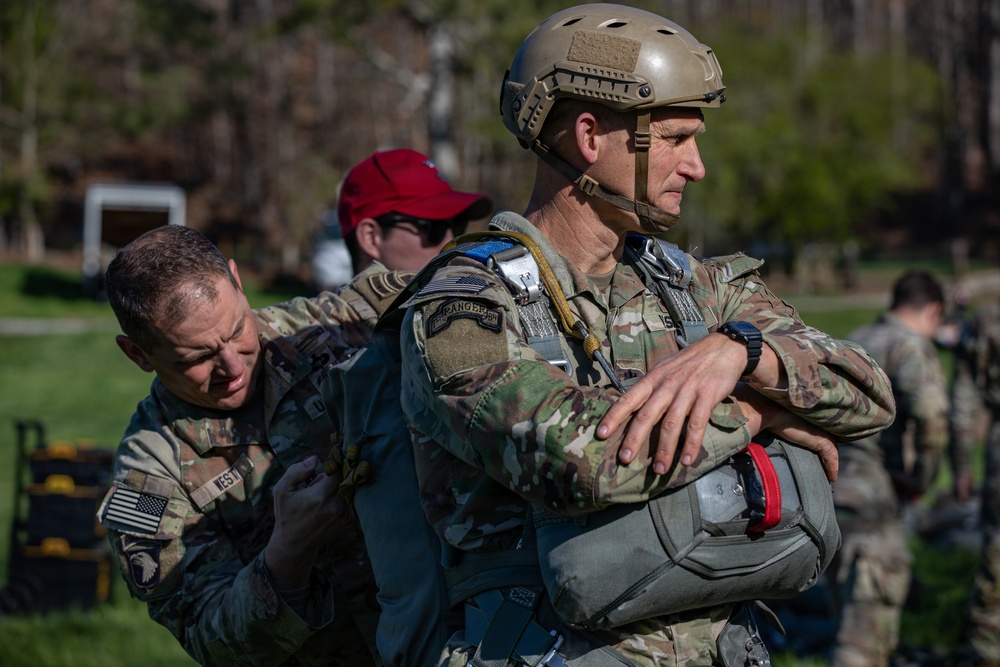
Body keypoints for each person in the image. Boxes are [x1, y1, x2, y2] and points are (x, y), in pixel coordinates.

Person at [394, 5, 895, 666]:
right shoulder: (463, 309)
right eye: (677, 138)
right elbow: (583, 460)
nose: (697, 166)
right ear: (590, 135)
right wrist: (757, 408)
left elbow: (868, 391)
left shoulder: (695, 287)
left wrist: (744, 353)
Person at [96, 155, 492, 666]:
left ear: (237, 281)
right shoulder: (148, 480)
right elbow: (210, 640)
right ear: (137, 355)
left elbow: (469, 292)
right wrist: (287, 552)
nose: (231, 365)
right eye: (195, 358)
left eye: (238, 329)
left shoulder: (333, 326)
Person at [827, 270, 950, 667]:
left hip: (826, 491)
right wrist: (921, 479)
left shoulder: (854, 339)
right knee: (865, 631)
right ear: (933, 311)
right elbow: (932, 416)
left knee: (845, 606)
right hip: (874, 499)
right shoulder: (909, 346)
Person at [339, 148, 493, 275]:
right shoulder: (323, 312)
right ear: (370, 237)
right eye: (434, 227)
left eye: (459, 225)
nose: (451, 242)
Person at [950, 290, 1000, 667]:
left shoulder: (987, 321)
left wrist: (963, 463)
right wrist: (963, 463)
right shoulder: (987, 321)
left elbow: (964, 397)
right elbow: (965, 396)